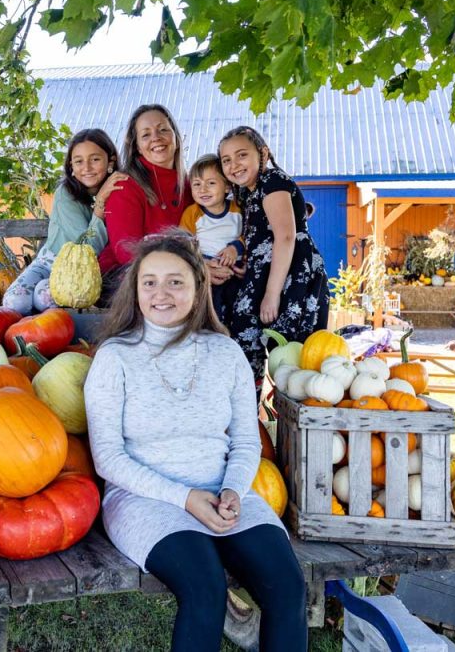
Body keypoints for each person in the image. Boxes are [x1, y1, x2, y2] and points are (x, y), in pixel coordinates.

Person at [84, 233, 307, 652]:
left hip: (226, 492)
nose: (161, 293)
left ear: (198, 287)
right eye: (149, 282)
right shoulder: (115, 357)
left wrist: (232, 491)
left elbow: (245, 441)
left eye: (175, 281)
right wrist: (185, 498)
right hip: (143, 499)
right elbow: (108, 458)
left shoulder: (226, 353)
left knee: (288, 586)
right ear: (135, 289)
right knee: (205, 588)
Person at [219, 125, 330, 382]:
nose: (234, 164)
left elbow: (286, 236)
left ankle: (290, 419)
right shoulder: (250, 194)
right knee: (247, 347)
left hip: (292, 280)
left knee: (293, 361)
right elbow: (265, 243)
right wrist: (255, 267)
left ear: (263, 154)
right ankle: (250, 415)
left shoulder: (272, 180)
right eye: (226, 160)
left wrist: (270, 294)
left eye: (241, 155)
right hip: (269, 276)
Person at [2, 128, 127, 314]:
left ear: (111, 161)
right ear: (71, 167)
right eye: (79, 161)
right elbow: (84, 247)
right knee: (15, 302)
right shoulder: (66, 194)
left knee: (47, 297)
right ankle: (24, 331)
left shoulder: (119, 192)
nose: (87, 168)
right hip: (49, 263)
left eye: (95, 159)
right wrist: (100, 204)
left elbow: (90, 256)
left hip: (83, 274)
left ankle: (46, 329)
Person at [96, 104, 192, 303]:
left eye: (163, 129)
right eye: (146, 134)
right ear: (137, 146)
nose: (156, 137)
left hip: (179, 272)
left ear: (176, 137)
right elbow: (126, 251)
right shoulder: (125, 185)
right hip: (126, 275)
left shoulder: (192, 185)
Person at [179, 153, 244, 320]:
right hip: (207, 272)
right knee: (211, 312)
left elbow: (250, 235)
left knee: (239, 312)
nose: (203, 189)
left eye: (211, 183)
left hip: (236, 271)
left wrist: (235, 248)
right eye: (197, 184)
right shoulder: (192, 213)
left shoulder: (238, 210)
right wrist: (202, 262)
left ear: (227, 186)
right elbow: (184, 243)